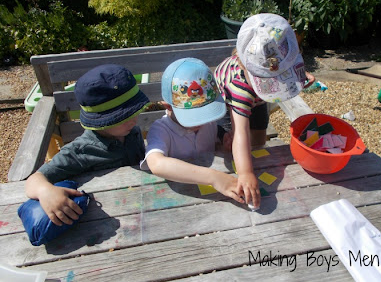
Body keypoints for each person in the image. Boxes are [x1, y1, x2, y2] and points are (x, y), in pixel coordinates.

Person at [25, 64, 150, 226]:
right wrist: (45, 192)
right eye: (124, 117)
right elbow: (34, 179)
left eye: (135, 112)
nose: (133, 120)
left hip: (140, 205)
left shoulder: (131, 131)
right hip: (103, 220)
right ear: (101, 121)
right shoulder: (81, 150)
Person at [214, 13, 308, 208]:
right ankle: (238, 166)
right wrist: (246, 173)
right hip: (228, 101)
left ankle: (254, 155)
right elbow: (240, 132)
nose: (275, 83)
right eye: (269, 81)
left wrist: (295, 78)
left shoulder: (275, 61)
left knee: (258, 138)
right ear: (242, 64)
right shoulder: (238, 87)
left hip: (258, 98)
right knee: (231, 142)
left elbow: (285, 68)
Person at [140, 57, 244, 204]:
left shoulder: (209, 123)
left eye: (205, 113)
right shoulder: (160, 129)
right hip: (176, 201)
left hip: (212, 197)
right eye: (193, 116)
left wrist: (223, 147)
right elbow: (156, 164)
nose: (201, 121)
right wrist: (213, 178)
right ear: (167, 106)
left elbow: (209, 150)